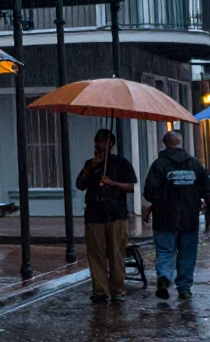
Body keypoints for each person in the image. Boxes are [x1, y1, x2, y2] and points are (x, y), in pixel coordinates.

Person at [142, 130, 210, 300]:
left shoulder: (158, 165)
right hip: (189, 219)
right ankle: (184, 288)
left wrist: (162, 199)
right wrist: (205, 205)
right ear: (181, 142)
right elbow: (209, 192)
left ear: (165, 144)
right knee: (187, 253)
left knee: (165, 251)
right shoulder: (195, 165)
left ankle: (164, 278)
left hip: (164, 219)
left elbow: (149, 193)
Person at [75, 128, 137, 304]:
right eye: (97, 140)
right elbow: (80, 185)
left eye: (102, 141)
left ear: (110, 144)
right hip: (94, 215)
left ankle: (118, 290)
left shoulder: (121, 163)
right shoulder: (90, 163)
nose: (98, 144)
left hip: (116, 214)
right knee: (96, 255)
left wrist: (112, 183)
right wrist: (88, 169)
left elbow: (132, 186)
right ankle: (100, 290)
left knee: (117, 254)